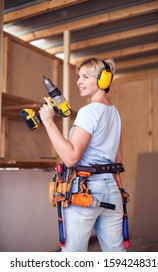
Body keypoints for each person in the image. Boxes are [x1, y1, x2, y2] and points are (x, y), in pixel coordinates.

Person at [39, 57, 125, 252]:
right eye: (79, 76)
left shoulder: (89, 111)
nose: (79, 81)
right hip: (112, 189)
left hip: (85, 190)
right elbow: (118, 159)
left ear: (103, 80)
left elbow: (71, 158)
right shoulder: (114, 113)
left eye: (85, 77)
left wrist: (49, 122)